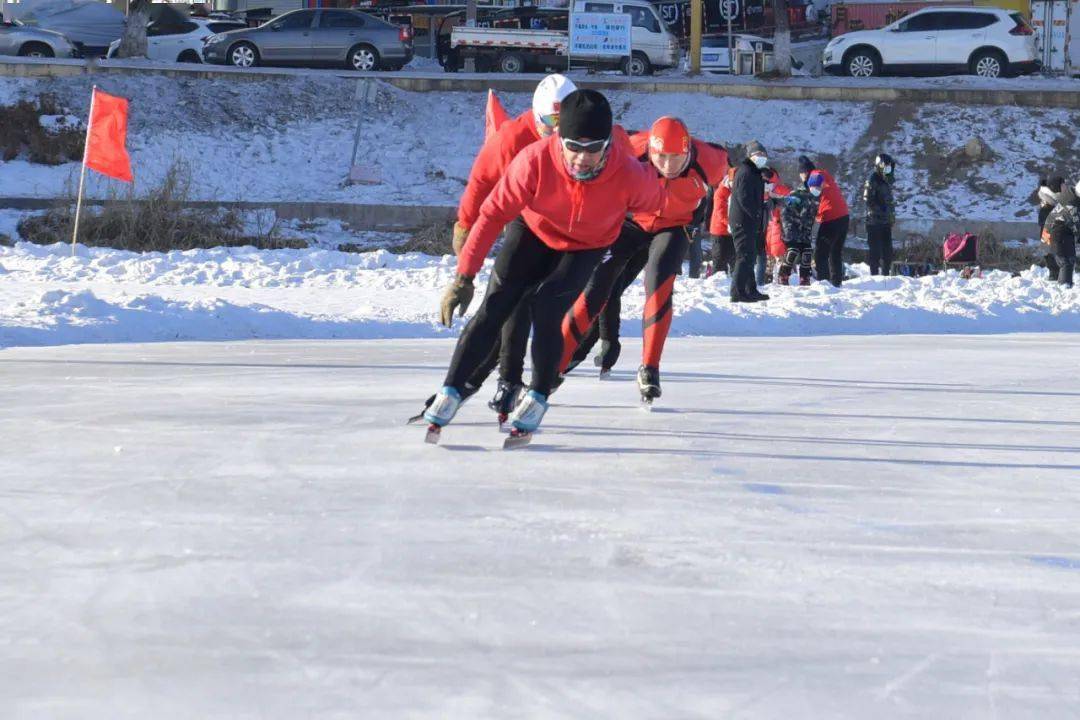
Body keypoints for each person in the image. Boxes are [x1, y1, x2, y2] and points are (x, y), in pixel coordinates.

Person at [422, 89, 666, 442]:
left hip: (586, 245)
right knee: (496, 303)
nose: (582, 159)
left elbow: (658, 204)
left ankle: (537, 395)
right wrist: (465, 275)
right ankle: (451, 389)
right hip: (534, 230)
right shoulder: (533, 161)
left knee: (548, 307)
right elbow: (491, 215)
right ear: (557, 138)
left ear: (608, 146)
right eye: (573, 147)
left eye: (593, 148)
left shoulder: (628, 174)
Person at [409, 74, 577, 425]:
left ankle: (506, 380)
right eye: (551, 123)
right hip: (523, 217)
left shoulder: (582, 139)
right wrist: (465, 235)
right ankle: (493, 379)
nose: (559, 134)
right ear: (536, 116)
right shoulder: (510, 141)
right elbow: (481, 184)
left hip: (568, 228)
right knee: (504, 296)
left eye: (567, 124)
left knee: (537, 303)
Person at [558, 116, 729, 401]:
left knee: (659, 284)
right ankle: (557, 360)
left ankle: (650, 367)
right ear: (650, 150)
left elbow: (728, 167)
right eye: (661, 157)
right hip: (631, 222)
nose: (668, 166)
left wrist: (699, 218)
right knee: (597, 284)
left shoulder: (711, 161)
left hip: (674, 226)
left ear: (689, 152)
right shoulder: (628, 151)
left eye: (677, 158)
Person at [798, 155, 850, 287]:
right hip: (843, 216)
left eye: (801, 174)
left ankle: (824, 285)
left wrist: (809, 184)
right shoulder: (826, 175)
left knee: (820, 254)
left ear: (805, 172)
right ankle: (836, 284)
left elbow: (816, 178)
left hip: (831, 218)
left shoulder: (816, 174)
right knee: (835, 252)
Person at [730, 141, 771, 302]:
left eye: (763, 155)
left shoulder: (754, 172)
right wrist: (756, 214)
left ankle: (750, 289)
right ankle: (737, 292)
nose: (761, 157)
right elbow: (744, 197)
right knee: (745, 256)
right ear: (750, 156)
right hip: (743, 220)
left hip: (749, 220)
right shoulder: (746, 172)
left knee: (750, 255)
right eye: (758, 154)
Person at [777, 171, 822, 286]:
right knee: (793, 250)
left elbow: (811, 216)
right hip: (792, 227)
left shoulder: (816, 198)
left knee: (807, 252)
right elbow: (785, 211)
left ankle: (805, 278)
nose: (817, 189)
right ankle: (783, 275)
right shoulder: (797, 194)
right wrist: (789, 229)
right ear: (810, 185)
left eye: (819, 186)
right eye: (815, 186)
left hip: (805, 229)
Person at [863, 152, 896, 276]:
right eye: (886, 166)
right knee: (875, 252)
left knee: (888, 251)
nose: (889, 169)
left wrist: (891, 214)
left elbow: (888, 200)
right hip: (874, 221)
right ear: (880, 165)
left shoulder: (886, 180)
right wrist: (880, 208)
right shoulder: (872, 179)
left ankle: (886, 274)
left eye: (890, 167)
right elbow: (867, 200)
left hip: (886, 221)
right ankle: (874, 276)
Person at [1043, 178, 1079, 288]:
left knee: (1060, 261)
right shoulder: (1073, 207)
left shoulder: (1069, 196)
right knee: (1066, 261)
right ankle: (1064, 287)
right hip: (1058, 233)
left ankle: (1055, 282)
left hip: (1052, 232)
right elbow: (1077, 227)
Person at [706, 166, 737, 277]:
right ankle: (716, 282)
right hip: (719, 231)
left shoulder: (738, 191)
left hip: (732, 231)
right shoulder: (721, 191)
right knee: (720, 260)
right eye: (735, 182)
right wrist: (730, 224)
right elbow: (720, 212)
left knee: (734, 259)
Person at [1038, 176, 1065, 281]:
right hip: (1049, 230)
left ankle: (1056, 273)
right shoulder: (1048, 203)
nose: (1064, 188)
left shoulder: (1053, 201)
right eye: (1062, 185)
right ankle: (1054, 273)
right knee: (1050, 252)